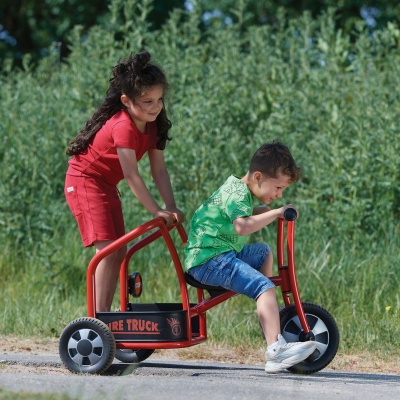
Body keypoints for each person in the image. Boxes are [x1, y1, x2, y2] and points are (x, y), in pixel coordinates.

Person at [65, 51, 185, 312]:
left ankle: (106, 318)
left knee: (120, 252)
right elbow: (131, 174)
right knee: (107, 252)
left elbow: (159, 171)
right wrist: (156, 210)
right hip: (84, 181)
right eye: (146, 101)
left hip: (106, 186)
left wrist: (171, 206)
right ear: (126, 101)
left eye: (159, 99)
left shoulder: (153, 126)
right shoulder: (123, 126)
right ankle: (97, 320)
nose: (155, 106)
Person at [184, 141, 316, 373]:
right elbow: (242, 227)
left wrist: (264, 212)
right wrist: (275, 212)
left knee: (262, 252)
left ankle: (267, 316)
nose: (279, 194)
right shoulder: (237, 193)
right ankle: (275, 351)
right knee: (264, 286)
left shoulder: (239, 190)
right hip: (209, 261)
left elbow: (236, 215)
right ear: (258, 177)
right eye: (277, 188)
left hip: (217, 255)